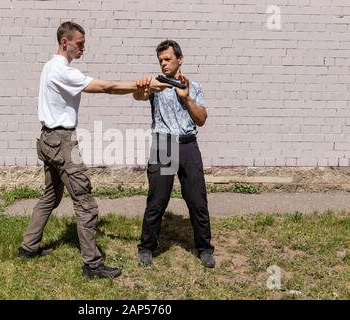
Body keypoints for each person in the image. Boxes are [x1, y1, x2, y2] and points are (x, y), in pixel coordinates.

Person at [18, 21, 171, 279]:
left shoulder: (49, 66)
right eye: (80, 44)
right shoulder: (62, 70)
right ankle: (92, 264)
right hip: (63, 143)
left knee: (51, 197)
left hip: (47, 140)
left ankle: (28, 247)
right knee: (86, 205)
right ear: (65, 42)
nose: (83, 49)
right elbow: (106, 88)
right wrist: (139, 85)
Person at [133, 40, 215, 268]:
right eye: (160, 60)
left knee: (197, 200)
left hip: (188, 145)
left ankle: (205, 248)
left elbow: (202, 119)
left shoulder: (194, 87)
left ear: (180, 59)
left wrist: (186, 98)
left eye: (167, 59)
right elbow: (138, 96)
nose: (163, 63)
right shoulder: (156, 84)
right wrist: (140, 88)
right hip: (164, 145)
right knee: (157, 200)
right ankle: (146, 247)